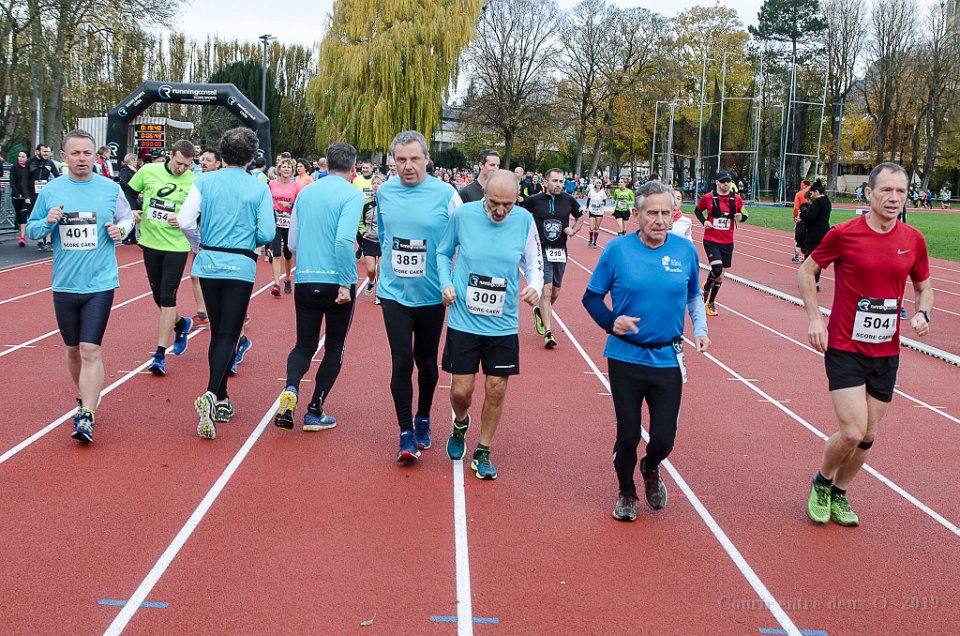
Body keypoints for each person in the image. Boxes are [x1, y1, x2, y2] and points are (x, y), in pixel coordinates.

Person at [800, 162, 933, 528]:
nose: (894, 198)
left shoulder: (913, 240)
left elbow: (924, 287)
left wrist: (923, 313)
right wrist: (815, 318)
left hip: (886, 351)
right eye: (886, 190)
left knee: (868, 435)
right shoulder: (845, 234)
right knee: (853, 431)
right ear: (869, 193)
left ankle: (840, 492)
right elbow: (807, 270)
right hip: (845, 346)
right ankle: (822, 482)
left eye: (901, 191)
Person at [582, 180, 709, 521]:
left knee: (664, 438)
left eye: (666, 212)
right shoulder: (617, 251)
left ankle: (651, 465)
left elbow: (694, 295)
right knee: (627, 435)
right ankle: (626, 492)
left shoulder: (685, 252)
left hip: (667, 357)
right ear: (636, 215)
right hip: (625, 356)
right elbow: (591, 298)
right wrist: (611, 322)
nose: (660, 220)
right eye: (652, 212)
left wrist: (700, 329)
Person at [25, 129, 135, 443]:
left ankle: (87, 413)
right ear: (64, 156)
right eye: (75, 153)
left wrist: (120, 231)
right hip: (64, 283)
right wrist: (47, 221)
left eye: (87, 153)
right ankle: (85, 394)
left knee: (90, 349)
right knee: (73, 350)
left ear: (95, 155)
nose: (82, 159)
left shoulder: (110, 188)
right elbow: (32, 230)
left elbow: (128, 219)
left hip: (100, 282)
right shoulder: (52, 190)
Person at [438, 170, 544, 479]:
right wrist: (445, 283)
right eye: (494, 203)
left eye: (507, 204)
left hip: (503, 322)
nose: (499, 211)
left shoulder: (524, 220)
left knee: (496, 388)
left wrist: (535, 286)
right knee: (462, 391)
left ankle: (483, 450)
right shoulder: (463, 216)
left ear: (517, 199)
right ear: (484, 194)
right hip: (464, 318)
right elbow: (443, 253)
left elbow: (534, 263)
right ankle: (460, 422)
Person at [178, 127, 275, 440]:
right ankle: (210, 393)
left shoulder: (204, 181)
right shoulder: (258, 187)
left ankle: (221, 398)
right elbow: (267, 232)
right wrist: (248, 239)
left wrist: (199, 244)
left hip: (208, 262)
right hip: (240, 266)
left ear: (222, 153)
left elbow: (184, 220)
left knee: (218, 333)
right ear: (251, 156)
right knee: (229, 335)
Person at [376, 130, 462, 462]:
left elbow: (464, 237)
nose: (408, 166)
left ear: (427, 159)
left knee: (426, 362)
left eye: (414, 159)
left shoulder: (446, 194)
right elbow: (384, 236)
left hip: (432, 295)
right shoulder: (385, 192)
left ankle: (423, 416)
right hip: (394, 293)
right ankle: (405, 434)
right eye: (401, 160)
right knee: (401, 361)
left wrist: (452, 280)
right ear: (393, 161)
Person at [274, 142, 363, 432]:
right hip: (337, 281)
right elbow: (344, 241)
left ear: (327, 164)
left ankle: (291, 387)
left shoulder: (306, 192)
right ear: (353, 167)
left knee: (304, 344)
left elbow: (292, 243)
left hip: (306, 278)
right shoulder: (352, 194)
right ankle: (315, 409)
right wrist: (345, 283)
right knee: (334, 348)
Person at [127, 140, 198, 376]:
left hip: (177, 245)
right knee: (158, 297)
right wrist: (132, 209)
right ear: (171, 155)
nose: (181, 169)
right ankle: (181, 323)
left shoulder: (194, 181)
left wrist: (185, 219)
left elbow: (201, 212)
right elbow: (129, 191)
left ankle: (159, 355)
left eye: (187, 165)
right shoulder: (149, 170)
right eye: (179, 163)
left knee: (168, 297)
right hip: (150, 242)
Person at [522, 168, 584, 349]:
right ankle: (548, 333)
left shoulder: (569, 200)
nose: (559, 184)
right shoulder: (533, 201)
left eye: (561, 181)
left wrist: (574, 230)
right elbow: (521, 218)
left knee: (555, 292)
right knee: (546, 290)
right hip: (541, 250)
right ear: (545, 182)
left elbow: (580, 217)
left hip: (560, 251)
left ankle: (540, 312)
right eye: (555, 181)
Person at [694, 170, 747, 317]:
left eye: (728, 181)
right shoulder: (708, 197)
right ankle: (707, 291)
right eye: (723, 181)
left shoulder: (736, 199)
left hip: (727, 241)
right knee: (716, 269)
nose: (726, 184)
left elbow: (745, 214)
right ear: (717, 182)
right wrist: (704, 221)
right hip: (711, 240)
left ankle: (710, 300)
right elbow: (698, 211)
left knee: (721, 276)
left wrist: (741, 217)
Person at [267, 157, 301, 296]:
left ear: (292, 170)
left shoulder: (295, 186)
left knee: (287, 253)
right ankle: (276, 283)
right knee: (276, 253)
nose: (286, 169)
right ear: (279, 169)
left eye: (289, 167)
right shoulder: (271, 184)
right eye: (284, 166)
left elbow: (300, 204)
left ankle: (287, 278)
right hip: (275, 221)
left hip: (289, 222)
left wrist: (290, 205)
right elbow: (265, 201)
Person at [27, 144, 61, 251]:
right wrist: (26, 195)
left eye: (48, 152)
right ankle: (41, 240)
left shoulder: (49, 163)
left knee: (48, 214)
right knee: (36, 215)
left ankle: (49, 240)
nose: (47, 154)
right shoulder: (30, 163)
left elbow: (57, 177)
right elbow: (24, 179)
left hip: (45, 194)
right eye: (44, 151)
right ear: (38, 152)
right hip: (32, 193)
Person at [799, 181, 831, 288]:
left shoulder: (818, 202)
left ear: (817, 191)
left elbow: (810, 217)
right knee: (817, 259)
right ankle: (815, 281)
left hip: (815, 234)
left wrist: (802, 214)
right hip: (823, 232)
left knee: (810, 258)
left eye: (812, 193)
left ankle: (810, 282)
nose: (811, 195)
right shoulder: (827, 201)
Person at [360, 175, 384, 301]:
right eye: (374, 183)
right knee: (370, 270)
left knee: (380, 269)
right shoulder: (366, 202)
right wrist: (363, 231)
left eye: (378, 183)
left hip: (382, 241)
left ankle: (379, 294)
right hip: (369, 240)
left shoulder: (388, 202)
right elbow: (360, 220)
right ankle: (371, 281)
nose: (375, 185)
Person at [11, 151, 31, 247]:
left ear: (27, 158)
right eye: (19, 156)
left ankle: (22, 237)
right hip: (16, 196)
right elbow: (12, 181)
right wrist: (16, 193)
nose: (20, 158)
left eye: (23, 157)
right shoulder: (14, 168)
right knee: (19, 216)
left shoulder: (29, 168)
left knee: (23, 215)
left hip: (26, 196)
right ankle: (21, 234)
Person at [585, 179, 608, 248]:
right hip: (592, 211)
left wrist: (603, 203)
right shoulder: (591, 191)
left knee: (596, 228)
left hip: (599, 212)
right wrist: (587, 208)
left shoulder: (602, 192)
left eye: (600, 183)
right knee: (591, 228)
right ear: (595, 184)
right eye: (597, 183)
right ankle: (590, 239)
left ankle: (595, 242)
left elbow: (605, 202)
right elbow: (588, 200)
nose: (598, 184)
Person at [793, 179, 811, 262]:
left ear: (804, 185)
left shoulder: (799, 194)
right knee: (809, 236)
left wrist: (795, 218)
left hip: (802, 216)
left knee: (798, 236)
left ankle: (797, 255)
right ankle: (807, 255)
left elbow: (796, 208)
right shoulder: (814, 193)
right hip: (812, 216)